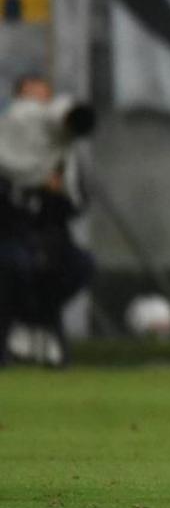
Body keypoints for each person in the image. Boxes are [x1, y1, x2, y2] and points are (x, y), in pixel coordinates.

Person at [0, 73, 96, 367]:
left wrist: (53, 192)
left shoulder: (63, 155)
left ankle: (40, 327)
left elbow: (78, 204)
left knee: (79, 265)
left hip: (49, 240)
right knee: (12, 266)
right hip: (8, 237)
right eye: (30, 101)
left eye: (44, 101)